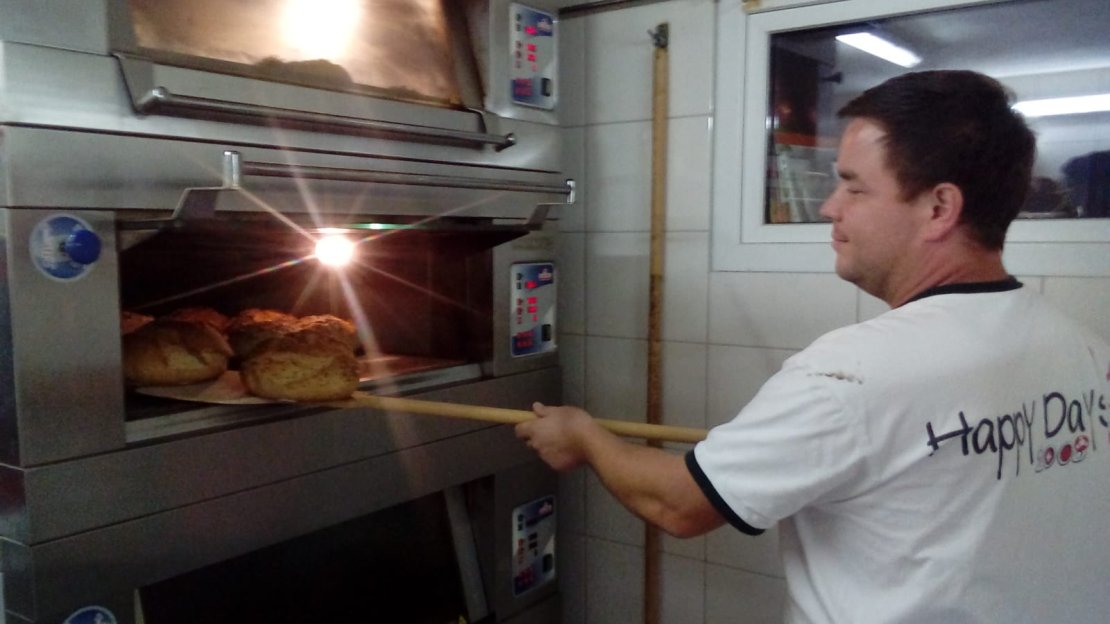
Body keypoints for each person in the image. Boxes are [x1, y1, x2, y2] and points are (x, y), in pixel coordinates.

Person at [515, 70, 1110, 623]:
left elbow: (679, 505)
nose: (830, 208)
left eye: (853, 187)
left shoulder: (850, 377)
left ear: (938, 208)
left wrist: (584, 436)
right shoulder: (1084, 350)